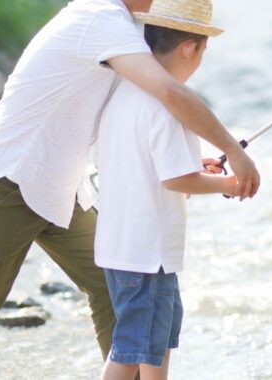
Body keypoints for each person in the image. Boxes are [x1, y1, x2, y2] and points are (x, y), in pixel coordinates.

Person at [0, 0, 261, 377]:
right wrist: (233, 152)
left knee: (111, 288)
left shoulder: (116, 27)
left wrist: (185, 165)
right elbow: (171, 93)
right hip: (6, 185)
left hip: (56, 189)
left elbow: (127, 126)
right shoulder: (101, 19)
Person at [90, 0, 228, 378]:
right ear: (190, 48)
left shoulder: (124, 92)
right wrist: (229, 183)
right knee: (130, 349)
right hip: (147, 254)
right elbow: (176, 180)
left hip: (124, 248)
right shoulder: (170, 105)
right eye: (203, 49)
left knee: (155, 342)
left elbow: (146, 164)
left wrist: (199, 166)